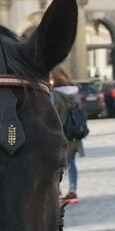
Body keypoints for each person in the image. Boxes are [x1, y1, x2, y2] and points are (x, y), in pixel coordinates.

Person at [51, 67, 84, 203]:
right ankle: (73, 191)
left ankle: (57, 190)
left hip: (59, 132)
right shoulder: (75, 91)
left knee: (54, 163)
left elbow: (52, 113)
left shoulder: (54, 94)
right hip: (74, 132)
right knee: (71, 162)